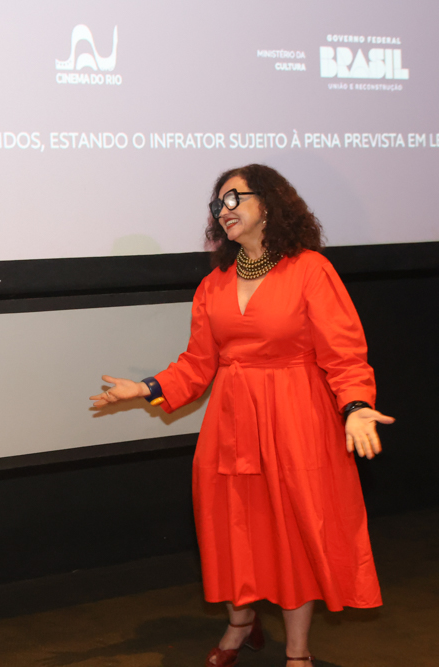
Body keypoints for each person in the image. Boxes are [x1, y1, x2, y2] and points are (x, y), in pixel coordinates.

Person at [90, 164, 393, 667]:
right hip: (231, 424)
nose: (223, 211)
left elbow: (344, 353)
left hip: (297, 419)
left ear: (269, 204)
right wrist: (144, 388)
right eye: (217, 204)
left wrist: (357, 406)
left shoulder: (310, 270)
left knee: (294, 533)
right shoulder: (215, 284)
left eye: (234, 199)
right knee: (233, 529)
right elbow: (197, 364)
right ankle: (241, 622)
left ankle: (297, 651)